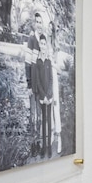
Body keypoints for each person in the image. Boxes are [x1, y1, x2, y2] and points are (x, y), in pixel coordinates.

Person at [32, 34, 54, 158]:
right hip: (42, 96)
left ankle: (49, 147)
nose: (43, 46)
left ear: (46, 45)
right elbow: (38, 81)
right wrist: (43, 95)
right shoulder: (38, 61)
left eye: (45, 43)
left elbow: (50, 79)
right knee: (44, 122)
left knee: (49, 121)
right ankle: (44, 147)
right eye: (41, 44)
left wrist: (48, 94)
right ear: (39, 45)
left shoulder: (49, 61)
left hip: (49, 96)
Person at [25, 13, 43, 149]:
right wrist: (29, 84)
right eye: (37, 22)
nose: (39, 24)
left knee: (39, 111)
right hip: (33, 83)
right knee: (33, 113)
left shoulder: (42, 41)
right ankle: (33, 145)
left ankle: (39, 141)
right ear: (34, 23)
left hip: (40, 84)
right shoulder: (31, 40)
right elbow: (27, 63)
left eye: (41, 22)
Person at [47, 21, 62, 154]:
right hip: (47, 74)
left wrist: (53, 66)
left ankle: (58, 132)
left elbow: (57, 66)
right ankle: (52, 130)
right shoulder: (45, 43)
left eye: (50, 29)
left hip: (53, 75)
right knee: (50, 102)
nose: (49, 31)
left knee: (55, 103)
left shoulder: (55, 45)